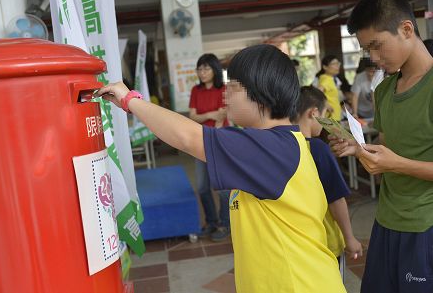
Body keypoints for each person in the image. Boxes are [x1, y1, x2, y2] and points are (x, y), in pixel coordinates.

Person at [98, 44, 346, 293]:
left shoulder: (270, 149)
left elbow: (188, 138)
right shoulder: (276, 143)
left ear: (263, 94)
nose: (225, 95)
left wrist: (129, 100)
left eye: (234, 88)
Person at [330, 0, 433, 292]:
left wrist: (394, 164)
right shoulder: (385, 90)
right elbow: (387, 150)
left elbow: (394, 160)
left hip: (425, 226)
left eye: (377, 45)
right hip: (387, 221)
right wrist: (359, 149)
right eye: (366, 49)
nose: (373, 57)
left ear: (406, 29)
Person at [292, 86, 363, 262]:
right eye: (324, 114)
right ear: (314, 112)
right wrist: (349, 238)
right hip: (324, 239)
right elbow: (336, 198)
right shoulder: (317, 148)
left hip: (295, 240)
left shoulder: (282, 146)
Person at [188, 53, 230, 241]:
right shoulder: (196, 90)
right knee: (202, 187)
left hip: (220, 142)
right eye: (200, 68)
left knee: (221, 187)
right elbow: (192, 117)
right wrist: (212, 114)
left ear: (215, 69)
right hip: (200, 141)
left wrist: (206, 116)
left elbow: (221, 118)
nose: (202, 72)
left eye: (206, 68)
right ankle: (211, 222)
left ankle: (224, 224)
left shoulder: (225, 89)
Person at [316, 55, 343, 121]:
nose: (337, 66)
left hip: (334, 116)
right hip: (330, 118)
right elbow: (317, 93)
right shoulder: (326, 79)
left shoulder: (331, 79)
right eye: (334, 64)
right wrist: (326, 105)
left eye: (338, 63)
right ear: (325, 67)